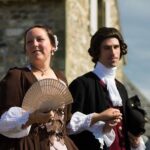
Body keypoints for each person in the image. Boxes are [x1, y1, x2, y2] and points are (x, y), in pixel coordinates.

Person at [0, 25, 78, 150]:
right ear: (26, 50)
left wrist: (98, 119)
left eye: (39, 39)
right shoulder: (16, 76)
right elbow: (3, 121)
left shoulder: (61, 78)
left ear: (53, 46)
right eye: (29, 42)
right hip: (30, 145)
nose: (34, 44)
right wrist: (32, 117)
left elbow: (66, 121)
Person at [68, 27, 146, 150]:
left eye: (116, 47)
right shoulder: (81, 84)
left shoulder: (121, 89)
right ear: (97, 51)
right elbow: (67, 125)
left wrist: (135, 140)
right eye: (107, 48)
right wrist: (98, 117)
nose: (113, 52)